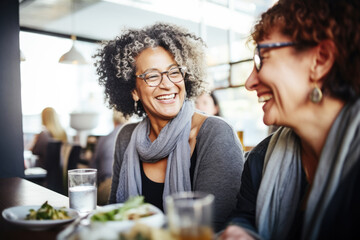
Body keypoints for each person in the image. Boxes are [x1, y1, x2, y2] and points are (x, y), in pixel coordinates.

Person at [221, 0, 360, 239]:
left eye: (261, 58)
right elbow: (246, 217)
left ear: (320, 60)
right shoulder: (260, 160)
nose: (249, 82)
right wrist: (241, 230)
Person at [94, 22, 244, 231]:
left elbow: (212, 229)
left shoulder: (215, 134)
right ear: (134, 91)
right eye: (152, 76)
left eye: (174, 72)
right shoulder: (126, 138)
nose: (167, 84)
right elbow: (116, 214)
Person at [90, 110, 129, 205]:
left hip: (104, 188)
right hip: (126, 187)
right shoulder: (133, 136)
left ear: (113, 120)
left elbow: (93, 167)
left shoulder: (103, 139)